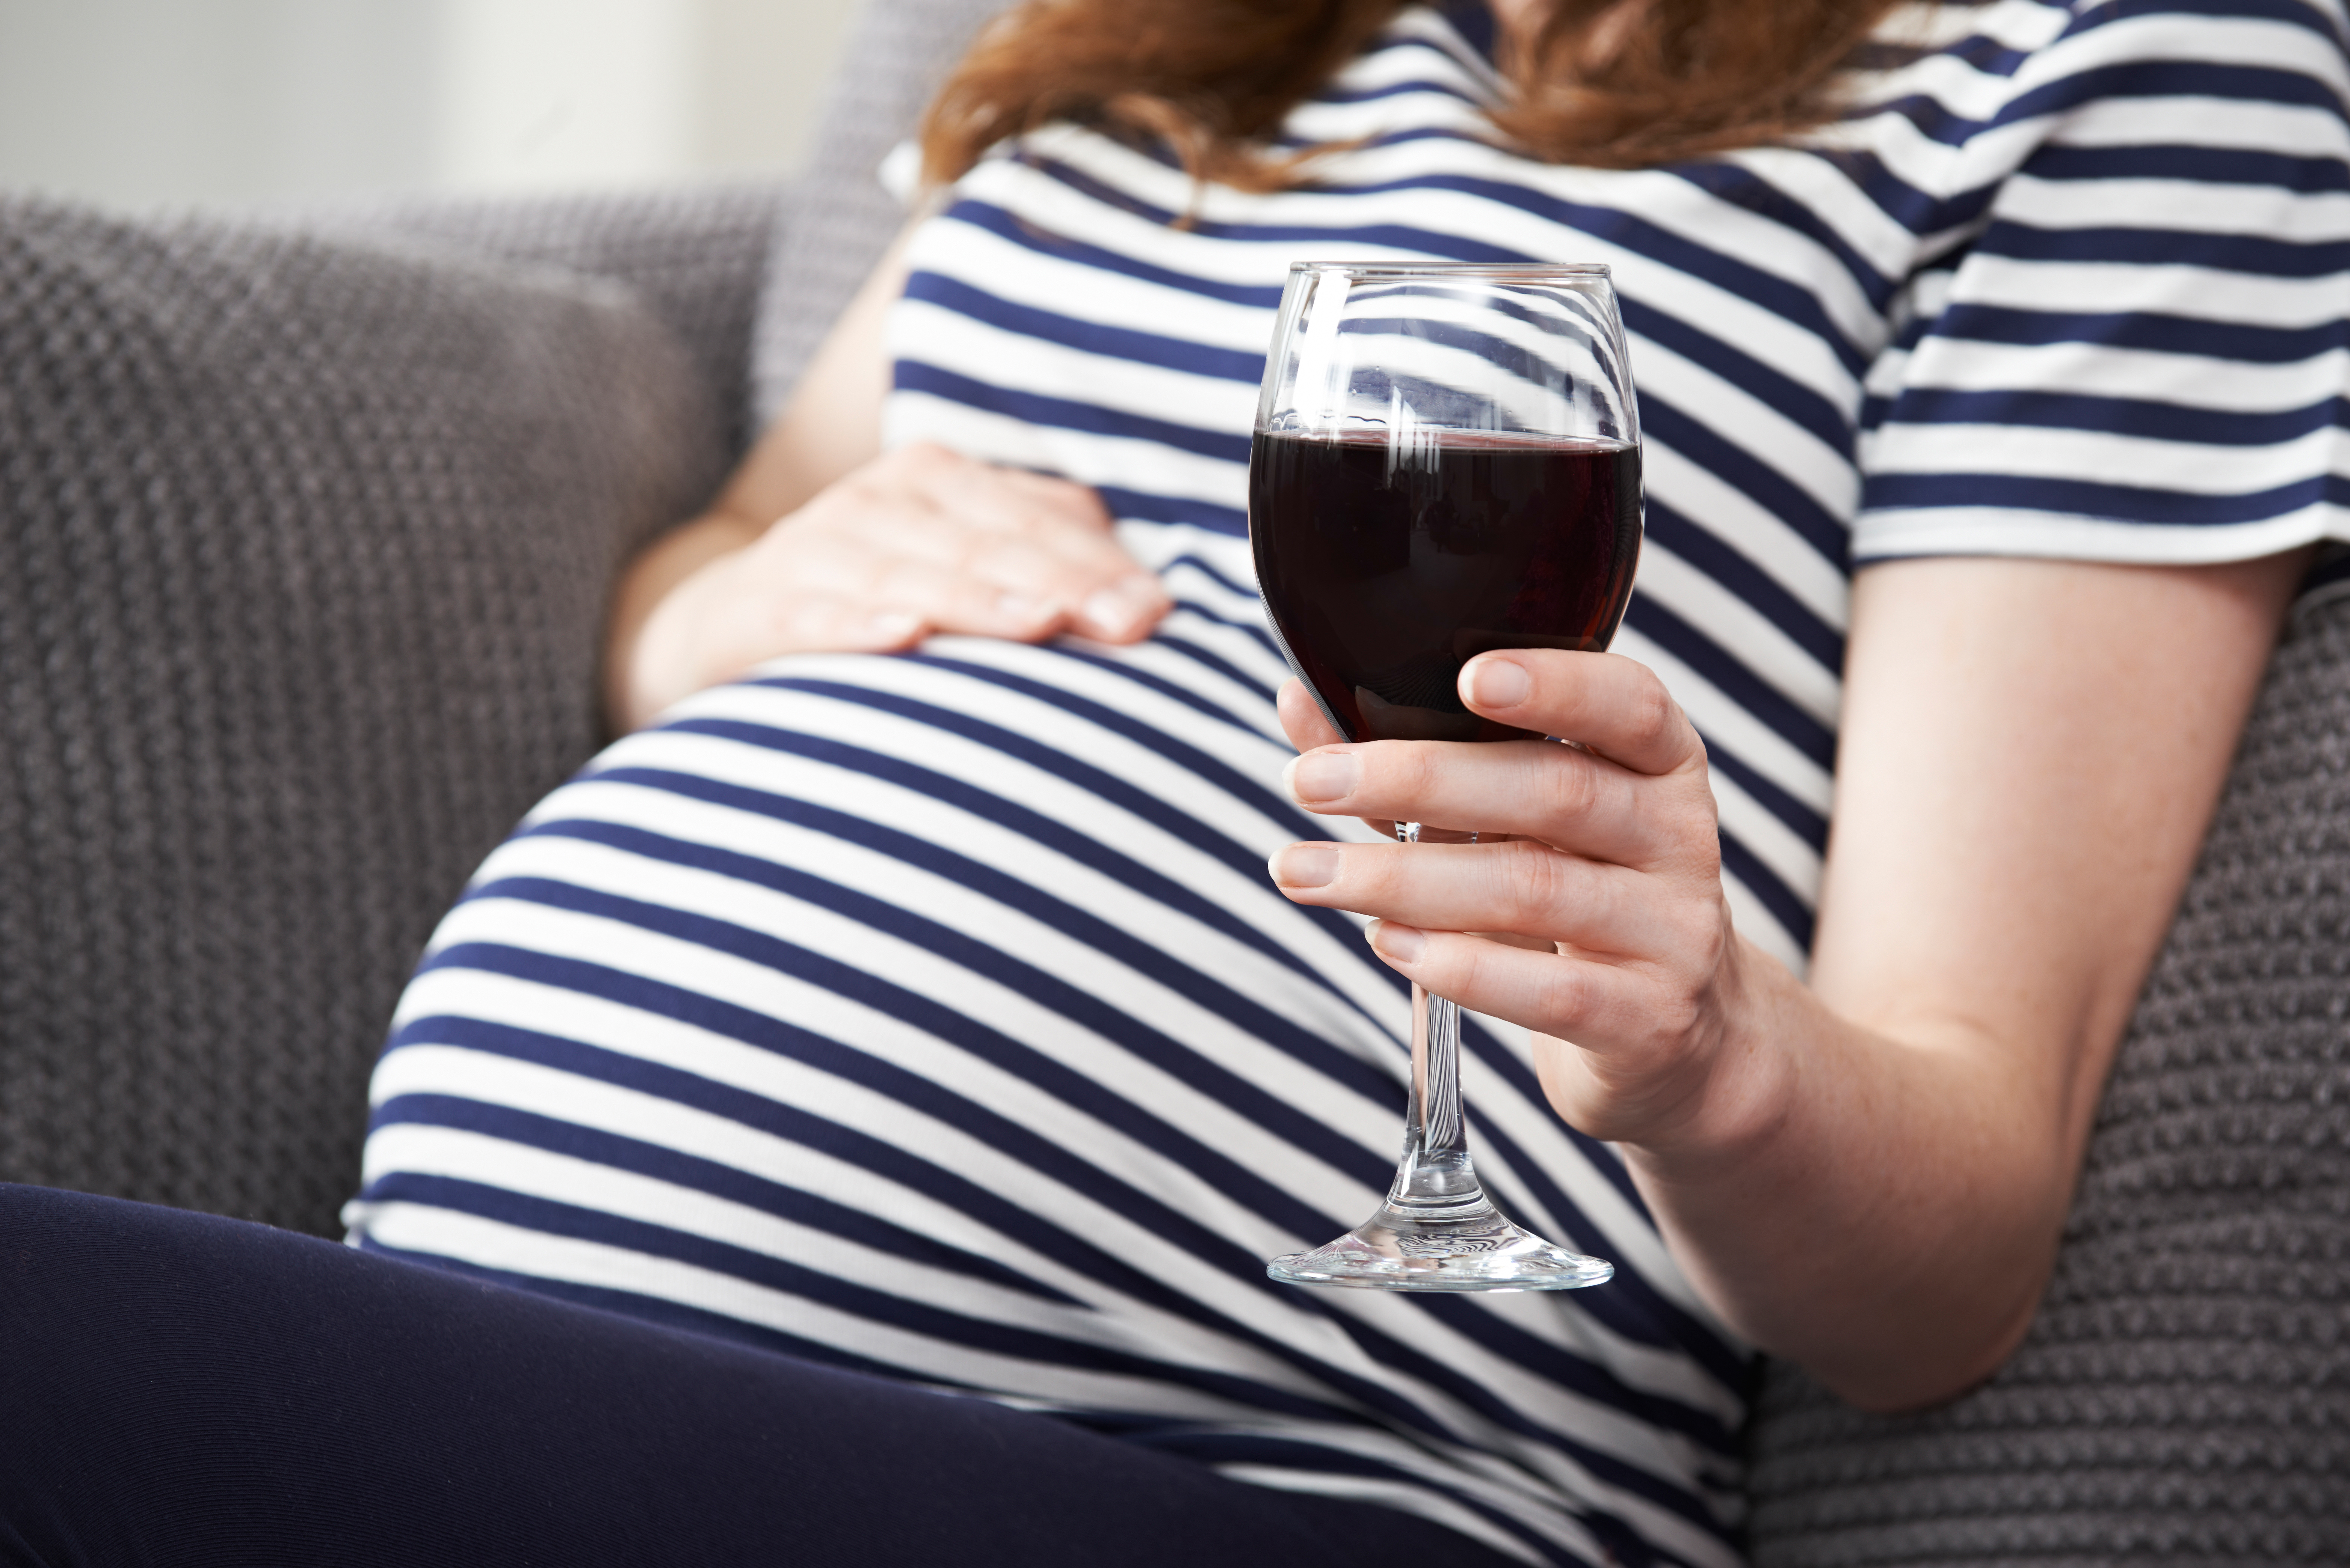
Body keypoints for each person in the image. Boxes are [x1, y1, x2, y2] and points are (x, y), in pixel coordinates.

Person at [5, 0, 2342, 1564]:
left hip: (1270, 1474)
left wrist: (1710, 1044)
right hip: (526, 1333)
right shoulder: (1174, 39)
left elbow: (1955, 1249)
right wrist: (704, 616)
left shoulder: (2116, 63)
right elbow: (742, 537)